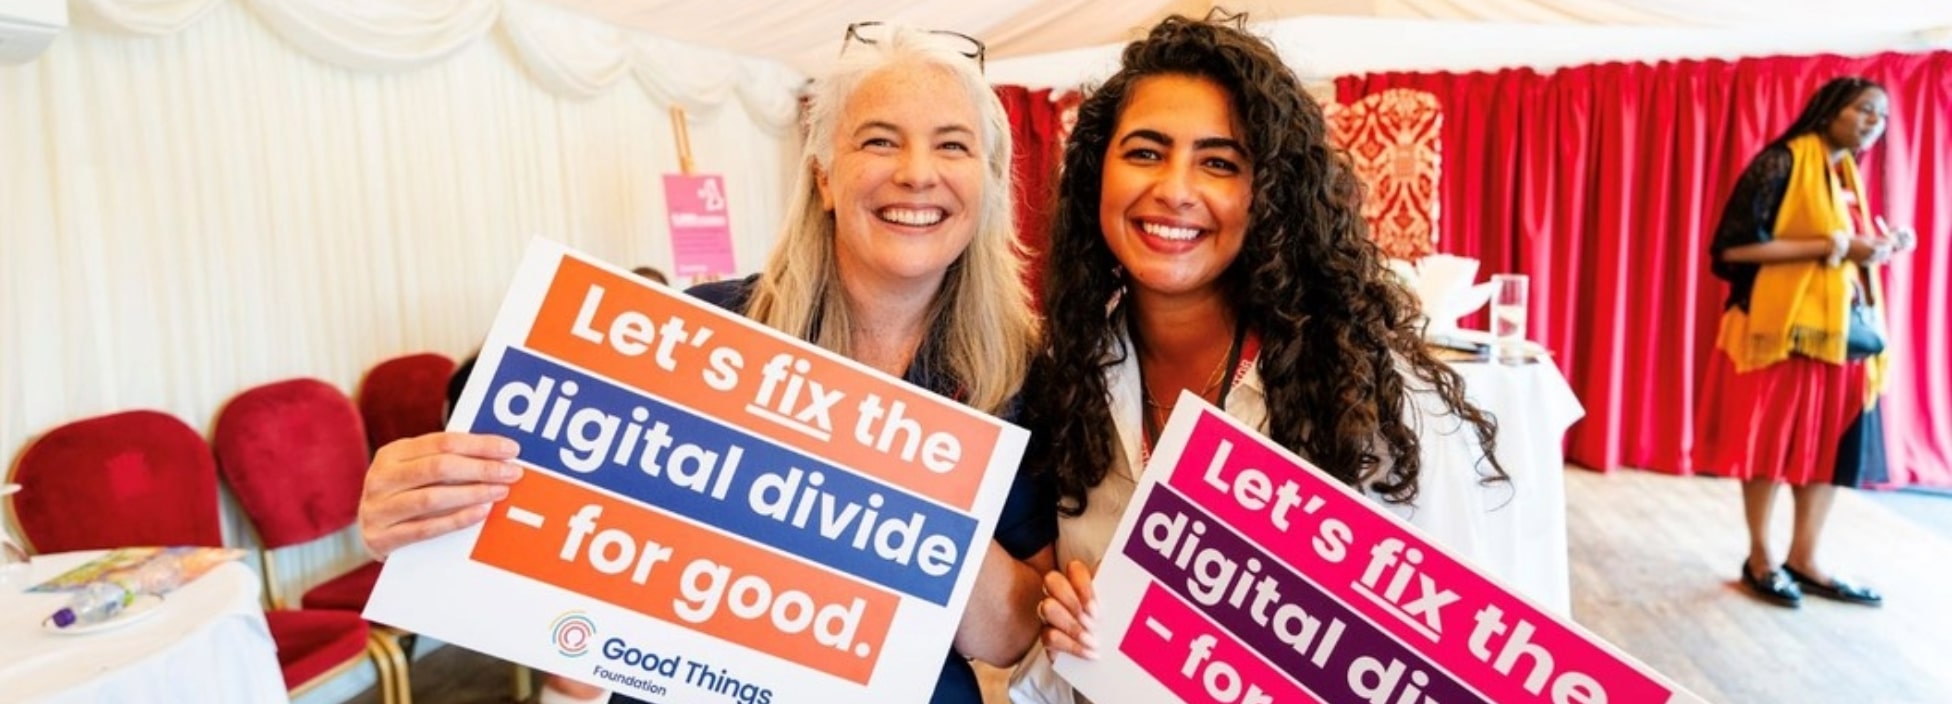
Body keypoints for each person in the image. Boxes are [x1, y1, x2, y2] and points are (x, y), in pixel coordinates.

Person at [360, 24, 1052, 704]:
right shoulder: (703, 330)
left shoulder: (1019, 373)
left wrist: (902, 500)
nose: (917, 173)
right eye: (879, 140)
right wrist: (418, 505)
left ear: (988, 184)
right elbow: (543, 524)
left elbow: (1010, 637)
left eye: (952, 146)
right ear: (824, 179)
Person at [1013, 13, 1505, 700]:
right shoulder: (1067, 377)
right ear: (1098, 175)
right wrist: (1070, 634)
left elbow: (1459, 661)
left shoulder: (1371, 387)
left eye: (1219, 162)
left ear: (1270, 194)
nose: (1175, 189)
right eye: (1145, 152)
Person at [1698, 76, 1915, 608]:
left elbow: (1849, 252)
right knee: (1770, 446)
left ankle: (1806, 559)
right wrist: (1831, 246)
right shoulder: (1782, 161)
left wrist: (1877, 248)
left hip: (1840, 337)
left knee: (1826, 451)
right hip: (1779, 333)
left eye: (1882, 116)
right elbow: (1730, 251)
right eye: (1864, 109)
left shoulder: (1847, 176)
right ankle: (1760, 558)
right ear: (1830, 109)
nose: (1874, 122)